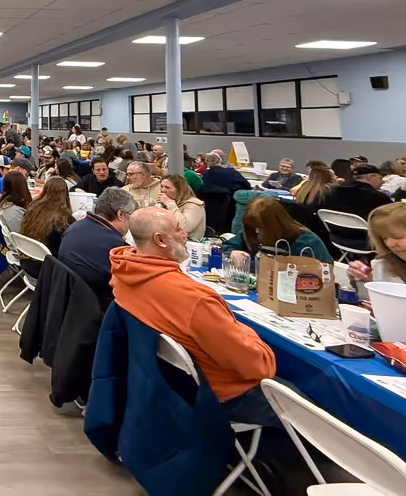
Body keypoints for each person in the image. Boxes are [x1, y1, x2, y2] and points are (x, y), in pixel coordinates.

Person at [109, 208, 278, 427]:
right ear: (160, 240)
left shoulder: (123, 274)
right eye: (178, 230)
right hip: (220, 394)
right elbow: (259, 366)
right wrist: (247, 332)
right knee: (311, 406)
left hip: (168, 387)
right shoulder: (194, 300)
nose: (185, 235)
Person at [57, 187, 138, 310]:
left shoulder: (75, 226)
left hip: (71, 299)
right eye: (130, 216)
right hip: (100, 306)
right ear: (121, 215)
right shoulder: (116, 248)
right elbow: (135, 283)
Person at [224, 196, 332, 264]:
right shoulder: (251, 231)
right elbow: (226, 247)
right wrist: (232, 252)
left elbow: (325, 272)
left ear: (275, 225)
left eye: (260, 228)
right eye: (254, 227)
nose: (257, 232)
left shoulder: (307, 241)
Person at [348, 203, 406, 285]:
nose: (390, 244)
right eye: (384, 238)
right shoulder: (381, 267)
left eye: (398, 237)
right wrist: (368, 280)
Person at [316, 162, 392, 222]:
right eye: (381, 178)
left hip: (337, 237)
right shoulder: (378, 197)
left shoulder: (333, 191)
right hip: (366, 237)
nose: (383, 181)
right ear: (370, 177)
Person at [19, 176, 73, 256]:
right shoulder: (65, 219)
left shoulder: (32, 208)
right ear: (65, 194)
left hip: (28, 256)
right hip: (48, 263)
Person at [158, 174, 206, 240]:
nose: (163, 190)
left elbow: (185, 228)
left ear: (179, 190)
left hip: (189, 244)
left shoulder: (194, 204)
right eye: (161, 186)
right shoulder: (165, 203)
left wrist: (170, 204)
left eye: (167, 187)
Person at [0, 170, 32, 235]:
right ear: (23, 187)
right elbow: (25, 233)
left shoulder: (2, 201)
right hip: (23, 242)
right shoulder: (14, 213)